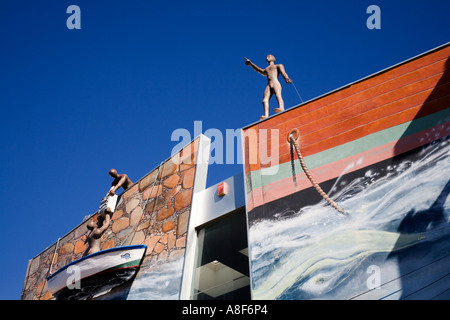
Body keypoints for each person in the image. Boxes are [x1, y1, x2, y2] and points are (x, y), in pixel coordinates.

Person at [245, 54, 292, 120]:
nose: (267, 58)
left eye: (269, 56)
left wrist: (286, 78)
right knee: (264, 100)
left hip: (275, 83)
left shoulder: (278, 65)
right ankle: (266, 115)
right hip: (269, 85)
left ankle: (281, 107)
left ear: (273, 58)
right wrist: (251, 64)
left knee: (278, 95)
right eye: (267, 57)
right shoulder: (266, 69)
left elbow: (283, 73)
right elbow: (258, 70)